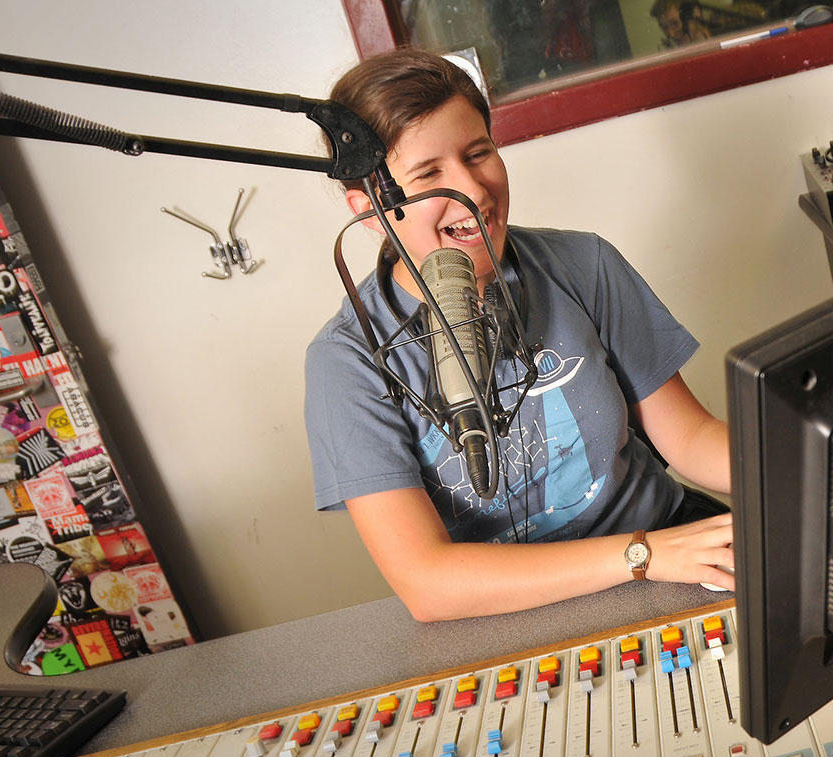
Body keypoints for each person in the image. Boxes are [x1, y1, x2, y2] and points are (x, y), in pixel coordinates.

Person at [304, 49, 735, 622]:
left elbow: (689, 437)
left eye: (478, 153)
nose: (473, 190)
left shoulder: (584, 264)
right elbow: (428, 582)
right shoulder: (346, 362)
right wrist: (640, 555)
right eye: (429, 174)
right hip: (518, 607)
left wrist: (807, 470)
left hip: (673, 550)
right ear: (370, 206)